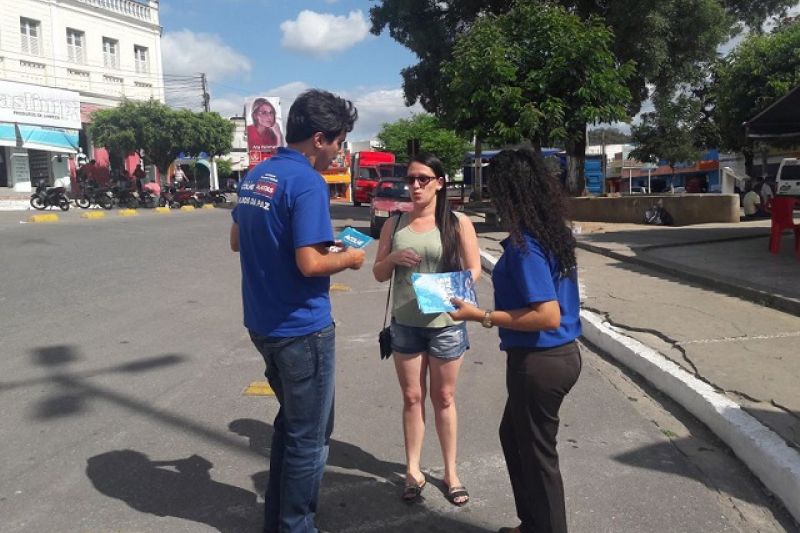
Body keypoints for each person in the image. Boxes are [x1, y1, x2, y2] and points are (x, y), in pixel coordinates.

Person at [229, 89, 364, 533]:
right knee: (310, 439)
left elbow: (237, 239)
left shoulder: (258, 173)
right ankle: (296, 527)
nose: (340, 152)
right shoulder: (306, 181)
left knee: (292, 426)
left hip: (263, 323)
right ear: (321, 138)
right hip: (301, 329)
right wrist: (348, 258)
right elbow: (310, 263)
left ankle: (279, 521)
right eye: (340, 142)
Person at [449, 148, 582, 533]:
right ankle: (532, 523)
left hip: (540, 360)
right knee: (514, 436)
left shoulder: (528, 247)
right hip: (558, 355)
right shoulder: (549, 232)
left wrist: (482, 316)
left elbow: (547, 314)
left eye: (495, 186)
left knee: (539, 456)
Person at [372, 153, 481, 505]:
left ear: (439, 182)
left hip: (446, 324)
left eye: (423, 179)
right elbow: (378, 272)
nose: (415, 185)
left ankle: (450, 472)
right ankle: (413, 470)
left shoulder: (457, 222)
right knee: (411, 397)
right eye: (411, 179)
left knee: (444, 398)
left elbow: (475, 270)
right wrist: (391, 259)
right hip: (406, 324)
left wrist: (446, 291)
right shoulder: (395, 224)